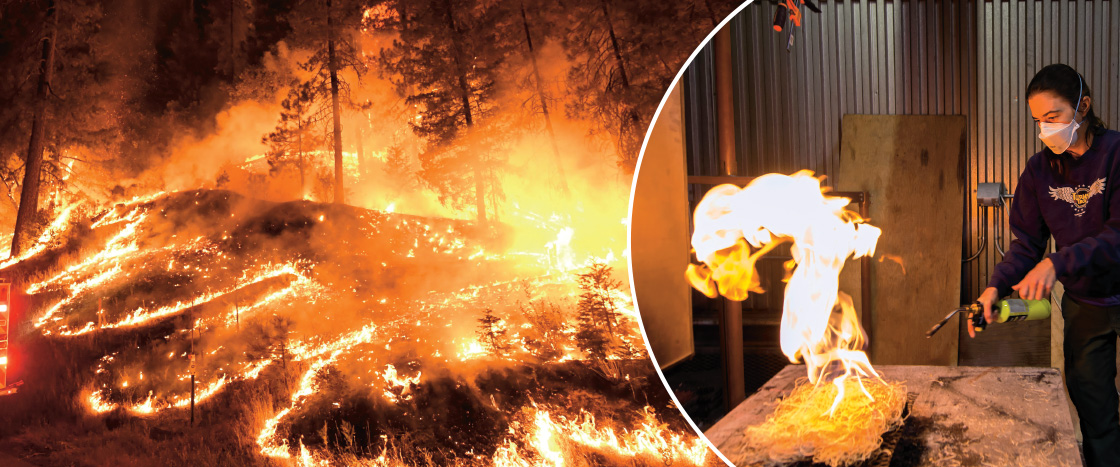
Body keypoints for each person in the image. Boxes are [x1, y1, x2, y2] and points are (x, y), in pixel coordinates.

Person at [973, 63, 1120, 466]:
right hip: (1086, 304)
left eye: (1053, 117)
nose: (1045, 129)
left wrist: (1057, 262)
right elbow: (1027, 243)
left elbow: (1116, 237)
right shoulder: (1039, 171)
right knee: (1096, 415)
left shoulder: (1116, 154)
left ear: (1083, 106)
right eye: (1038, 121)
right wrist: (995, 287)